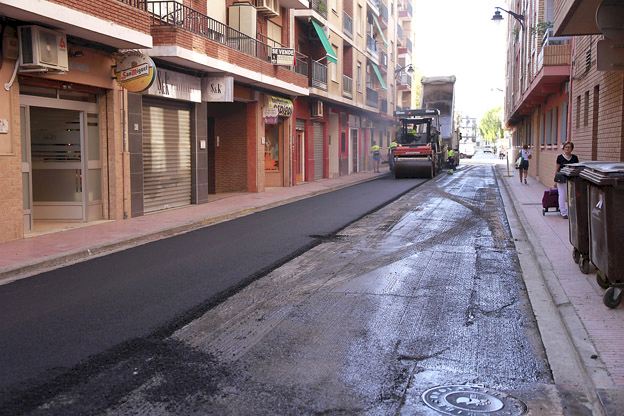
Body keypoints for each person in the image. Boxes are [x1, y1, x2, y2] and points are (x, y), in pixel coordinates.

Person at [555, 141, 579, 219]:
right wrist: (555, 180)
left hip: (571, 179)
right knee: (562, 195)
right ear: (564, 148)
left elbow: (577, 169)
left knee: (570, 196)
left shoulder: (575, 158)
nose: (567, 149)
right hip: (561, 179)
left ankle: (570, 212)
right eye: (566, 147)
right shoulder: (560, 157)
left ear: (572, 149)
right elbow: (557, 169)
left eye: (569, 147)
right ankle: (563, 212)